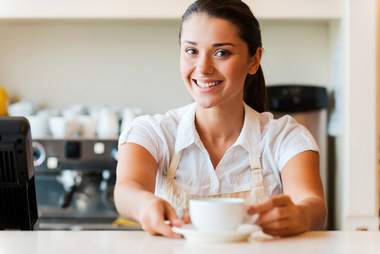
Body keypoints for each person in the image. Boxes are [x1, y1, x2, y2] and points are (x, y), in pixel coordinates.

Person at [114, 0, 327, 238]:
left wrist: (301, 215)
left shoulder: (286, 136)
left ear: (254, 60)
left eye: (221, 52)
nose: (203, 68)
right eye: (191, 51)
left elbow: (313, 204)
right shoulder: (152, 131)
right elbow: (126, 189)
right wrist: (144, 204)